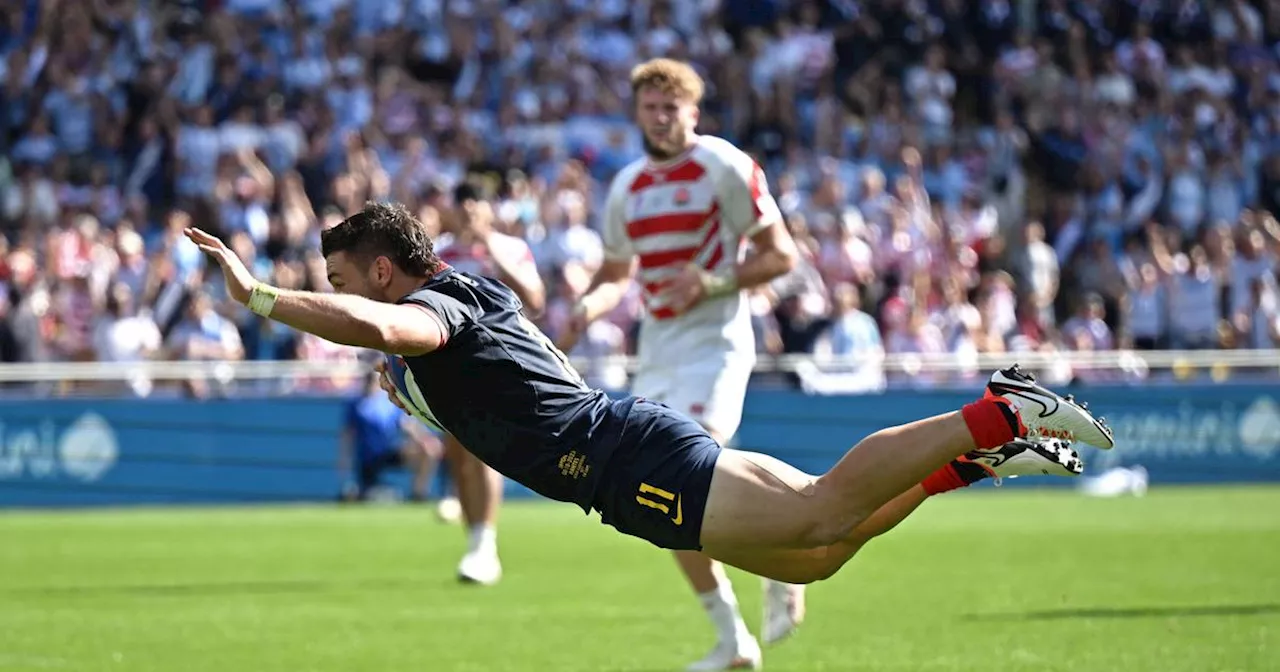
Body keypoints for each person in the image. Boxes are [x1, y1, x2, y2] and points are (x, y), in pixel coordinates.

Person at [183, 199, 1112, 594]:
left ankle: (1002, 409)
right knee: (819, 558)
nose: (340, 291)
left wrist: (262, 296)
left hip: (630, 459)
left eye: (344, 278)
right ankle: (982, 456)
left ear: (381, 272)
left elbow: (391, 331)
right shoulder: (456, 298)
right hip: (622, 465)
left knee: (827, 507)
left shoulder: (430, 308)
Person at [555, 57, 804, 671]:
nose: (662, 118)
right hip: (659, 351)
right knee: (659, 496)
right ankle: (733, 639)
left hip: (715, 343)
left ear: (693, 112)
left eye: (673, 108)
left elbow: (781, 257)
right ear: (637, 114)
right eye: (651, 108)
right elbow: (618, 275)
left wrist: (713, 282)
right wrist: (589, 304)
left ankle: (784, 559)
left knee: (689, 472)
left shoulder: (723, 165)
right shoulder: (628, 187)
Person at [423, 182, 546, 585]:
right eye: (463, 204)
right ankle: (476, 543)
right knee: (459, 455)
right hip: (450, 364)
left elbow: (535, 297)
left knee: (484, 451)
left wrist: (490, 248)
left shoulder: (509, 248)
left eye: (477, 204)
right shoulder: (440, 252)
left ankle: (485, 544)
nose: (470, 211)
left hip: (503, 360)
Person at [339, 370, 439, 502]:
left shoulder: (388, 403)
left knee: (428, 451)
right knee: (364, 496)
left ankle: (418, 493)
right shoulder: (356, 404)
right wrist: (344, 459)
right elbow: (348, 434)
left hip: (388, 451)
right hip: (368, 458)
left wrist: (425, 439)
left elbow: (407, 425)